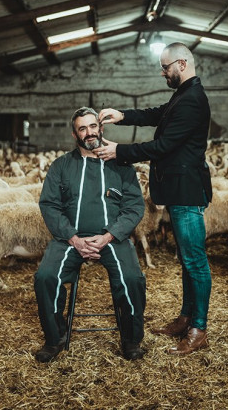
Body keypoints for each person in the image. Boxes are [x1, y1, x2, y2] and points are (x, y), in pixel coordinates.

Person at [94, 42, 212, 355]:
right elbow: (158, 114)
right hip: (178, 189)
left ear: (182, 64)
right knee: (188, 261)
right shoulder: (184, 95)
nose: (162, 72)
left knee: (195, 261)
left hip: (187, 191)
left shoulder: (193, 99)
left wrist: (121, 151)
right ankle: (187, 318)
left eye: (165, 67)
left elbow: (164, 146)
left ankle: (199, 328)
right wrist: (122, 115)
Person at [34, 106, 146, 363]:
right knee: (45, 277)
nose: (89, 132)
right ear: (75, 135)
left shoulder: (121, 166)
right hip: (69, 238)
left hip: (112, 238)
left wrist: (109, 235)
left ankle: (131, 339)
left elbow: (134, 207)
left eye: (92, 126)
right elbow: (49, 205)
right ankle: (55, 338)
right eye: (82, 128)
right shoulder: (61, 166)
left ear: (101, 128)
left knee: (132, 279)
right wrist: (73, 238)